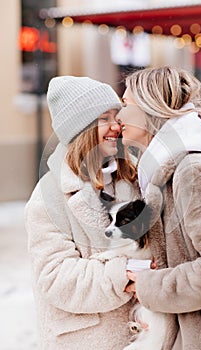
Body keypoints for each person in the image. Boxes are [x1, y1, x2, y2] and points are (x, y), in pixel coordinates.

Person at [116, 66, 201, 349]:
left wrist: (150, 286)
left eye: (126, 104)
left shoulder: (193, 170)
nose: (118, 117)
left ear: (150, 108)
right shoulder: (161, 169)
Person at [24, 76, 140, 350]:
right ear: (81, 130)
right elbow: (55, 278)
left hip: (140, 336)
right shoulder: (48, 197)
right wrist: (121, 275)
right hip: (85, 340)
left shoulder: (131, 176)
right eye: (104, 118)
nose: (116, 126)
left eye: (117, 115)